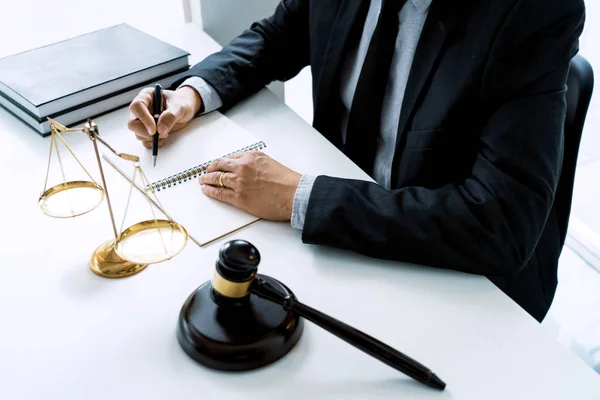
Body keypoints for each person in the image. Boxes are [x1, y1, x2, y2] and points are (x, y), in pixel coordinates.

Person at [128, 0, 586, 322]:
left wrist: (299, 196)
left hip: (452, 279)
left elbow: (499, 223)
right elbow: (281, 33)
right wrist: (191, 94)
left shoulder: (533, 12)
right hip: (337, 242)